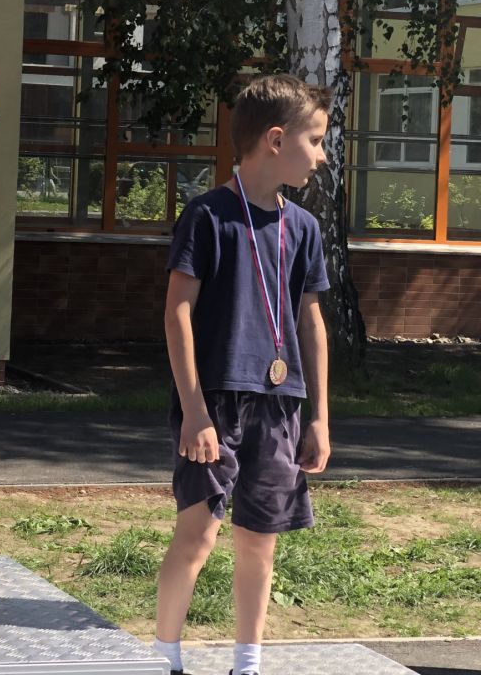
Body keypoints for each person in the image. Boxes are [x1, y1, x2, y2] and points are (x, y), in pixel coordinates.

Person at [151, 74, 332, 675]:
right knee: (198, 534)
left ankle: (247, 665)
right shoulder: (208, 216)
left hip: (279, 404)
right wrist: (194, 411)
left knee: (259, 540)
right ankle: (165, 658)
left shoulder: (303, 227)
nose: (321, 155)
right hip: (216, 403)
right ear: (276, 141)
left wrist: (319, 417)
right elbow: (177, 312)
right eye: (315, 140)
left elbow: (311, 322)